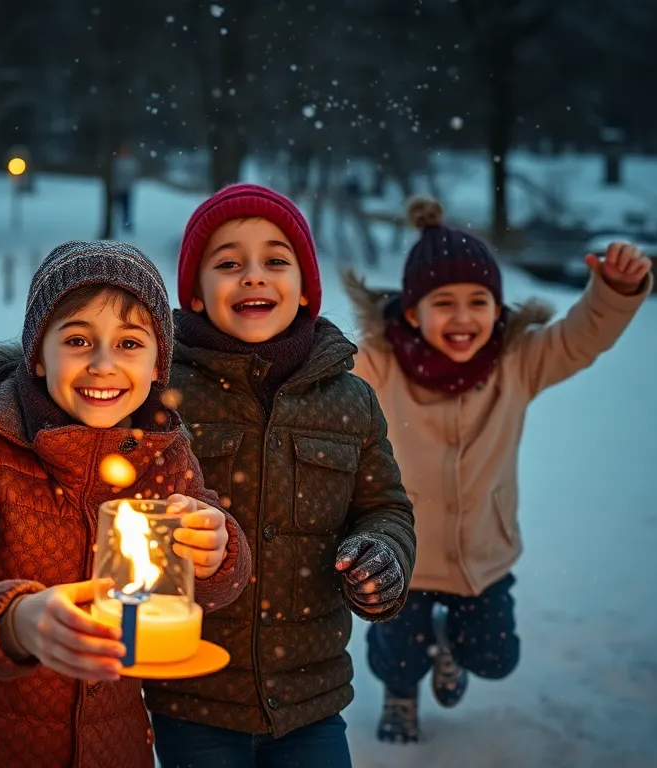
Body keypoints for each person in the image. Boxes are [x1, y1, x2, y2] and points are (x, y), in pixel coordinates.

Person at [0, 240, 251, 767]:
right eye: (77, 339)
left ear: (159, 364)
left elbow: (210, 589)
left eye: (130, 343)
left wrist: (217, 552)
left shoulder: (162, 453)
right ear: (38, 356)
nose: (103, 364)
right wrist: (13, 622)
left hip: (109, 744)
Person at [343, 196, 653, 743]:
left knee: (495, 658)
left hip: (481, 556)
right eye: (444, 303)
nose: (463, 318)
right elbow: (330, 382)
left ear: (497, 309)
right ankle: (400, 694)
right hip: (403, 556)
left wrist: (616, 290)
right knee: (397, 657)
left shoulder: (517, 362)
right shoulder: (382, 364)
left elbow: (580, 339)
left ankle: (452, 651)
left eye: (478, 301)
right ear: (412, 313)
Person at [144, 183, 417, 767]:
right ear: (194, 292)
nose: (253, 276)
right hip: (194, 697)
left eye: (275, 260)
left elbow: (385, 507)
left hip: (309, 698)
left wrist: (384, 552)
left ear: (304, 289)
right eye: (228, 263)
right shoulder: (162, 392)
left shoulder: (351, 400)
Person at [112, 146, 141, 233]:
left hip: (127, 188)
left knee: (126, 208)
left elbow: (136, 173)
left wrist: (131, 182)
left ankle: (126, 225)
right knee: (117, 207)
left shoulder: (132, 162)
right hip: (117, 188)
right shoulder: (117, 161)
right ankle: (116, 225)